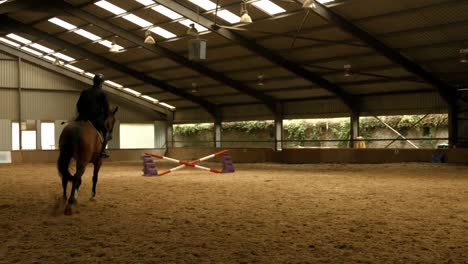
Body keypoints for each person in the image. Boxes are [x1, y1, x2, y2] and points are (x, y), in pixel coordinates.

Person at [76, 73, 111, 158]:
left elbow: (78, 105)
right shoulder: (102, 94)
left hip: (82, 119)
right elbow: (107, 110)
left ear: (93, 81)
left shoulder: (84, 92)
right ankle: (103, 151)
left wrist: (81, 115)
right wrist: (104, 118)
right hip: (96, 120)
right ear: (101, 83)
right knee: (106, 132)